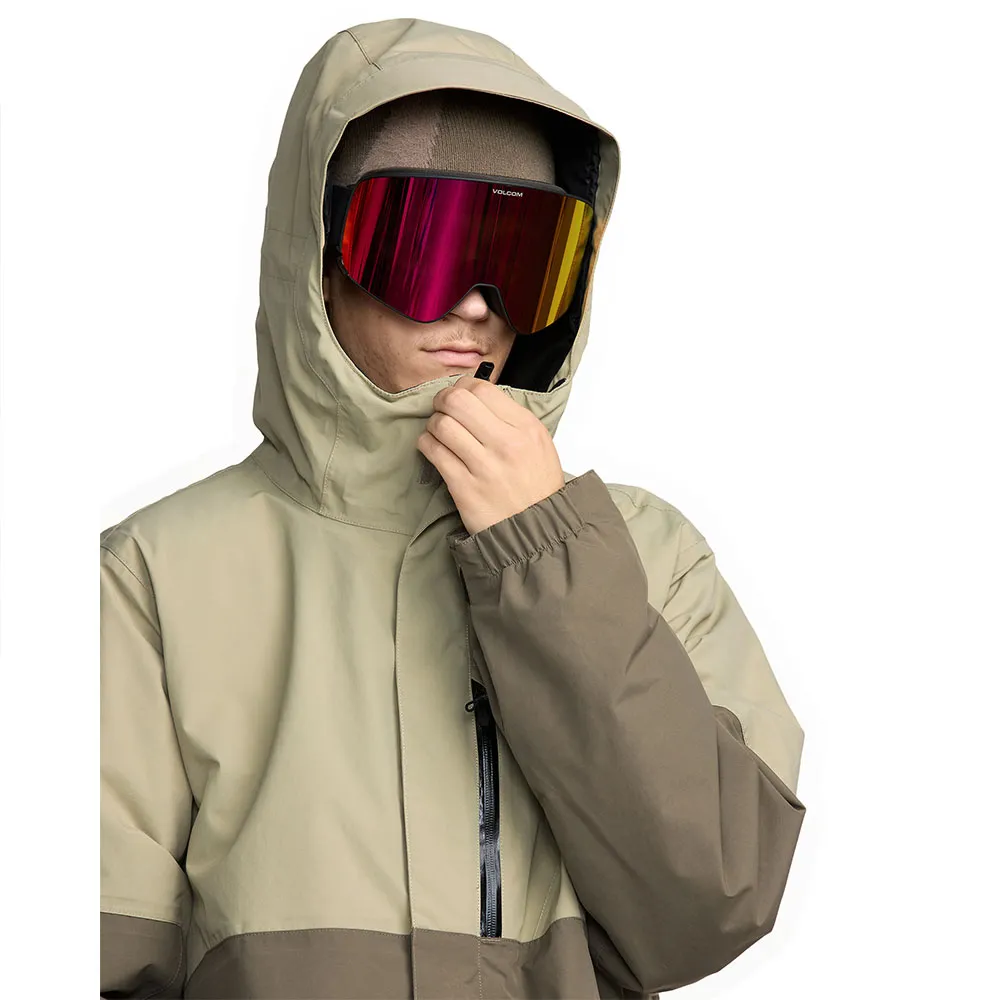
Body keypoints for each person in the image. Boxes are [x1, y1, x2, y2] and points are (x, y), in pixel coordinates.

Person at [100, 17, 807, 1000]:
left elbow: (710, 904)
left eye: (522, 257)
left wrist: (549, 564)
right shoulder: (157, 574)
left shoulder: (645, 555)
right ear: (318, 254)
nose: (478, 306)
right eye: (425, 247)